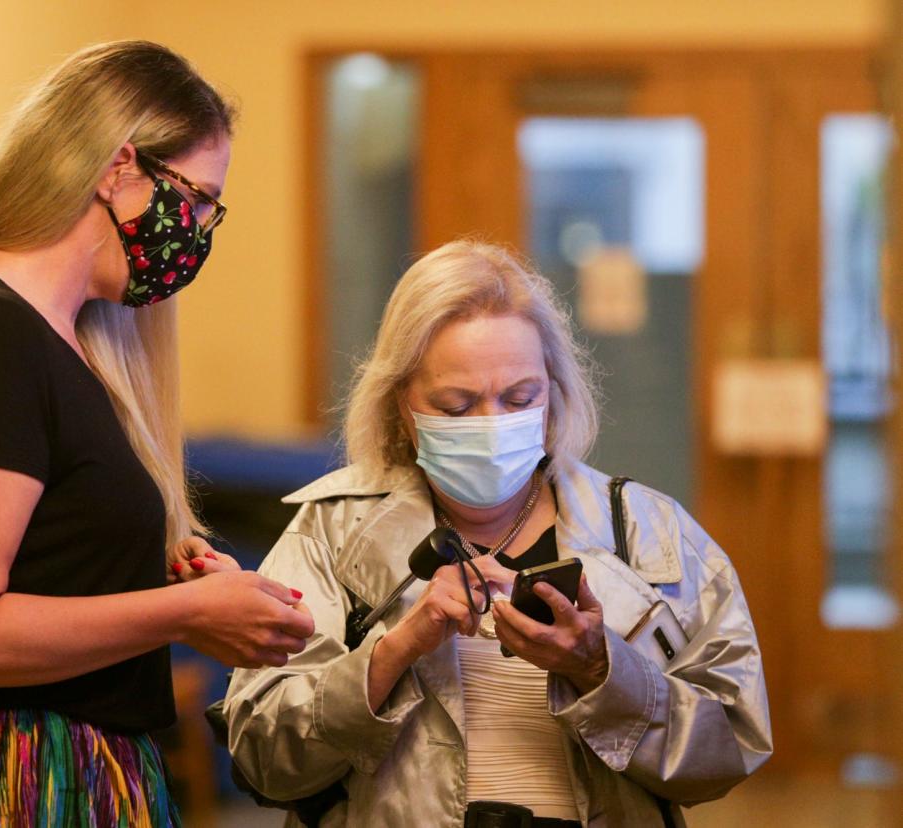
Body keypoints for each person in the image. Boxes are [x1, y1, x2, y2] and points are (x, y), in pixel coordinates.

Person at [0, 41, 314, 827]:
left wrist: (173, 582)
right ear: (118, 167)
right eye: (195, 199)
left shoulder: (65, 342)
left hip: (64, 772)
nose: (196, 232)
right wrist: (185, 615)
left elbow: (45, 575)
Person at [225, 240, 772, 827]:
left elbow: (730, 747)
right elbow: (263, 758)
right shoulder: (332, 533)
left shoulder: (648, 534)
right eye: (457, 406)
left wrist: (600, 671)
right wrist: (396, 651)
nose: (491, 426)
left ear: (555, 394)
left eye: (519, 398)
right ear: (401, 407)